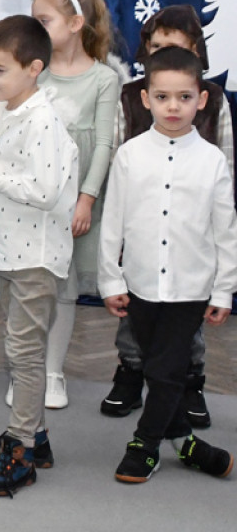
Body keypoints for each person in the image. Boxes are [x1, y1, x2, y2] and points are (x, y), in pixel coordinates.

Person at [99, 46, 236, 483]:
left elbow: (224, 232)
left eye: (183, 97)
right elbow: (112, 223)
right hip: (140, 286)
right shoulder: (130, 155)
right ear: (145, 98)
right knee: (163, 370)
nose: (173, 107)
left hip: (190, 289)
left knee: (163, 370)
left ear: (202, 99)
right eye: (162, 97)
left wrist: (222, 290)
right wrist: (109, 279)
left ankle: (143, 445)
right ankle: (189, 445)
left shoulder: (212, 160)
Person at [0, 15, 78, 497]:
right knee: (17, 347)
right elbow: (21, 167)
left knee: (25, 355)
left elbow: (46, 191)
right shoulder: (11, 110)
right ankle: (33, 436)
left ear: (33, 68)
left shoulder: (44, 120)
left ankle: (23, 451)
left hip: (35, 256)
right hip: (10, 249)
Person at [26, 0, 120, 410]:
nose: (35, 28)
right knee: (31, 287)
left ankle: (52, 372)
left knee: (63, 290)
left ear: (75, 23)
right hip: (33, 198)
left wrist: (87, 198)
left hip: (74, 203)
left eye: (43, 20)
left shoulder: (103, 78)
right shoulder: (34, 72)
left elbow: (103, 143)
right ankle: (25, 371)